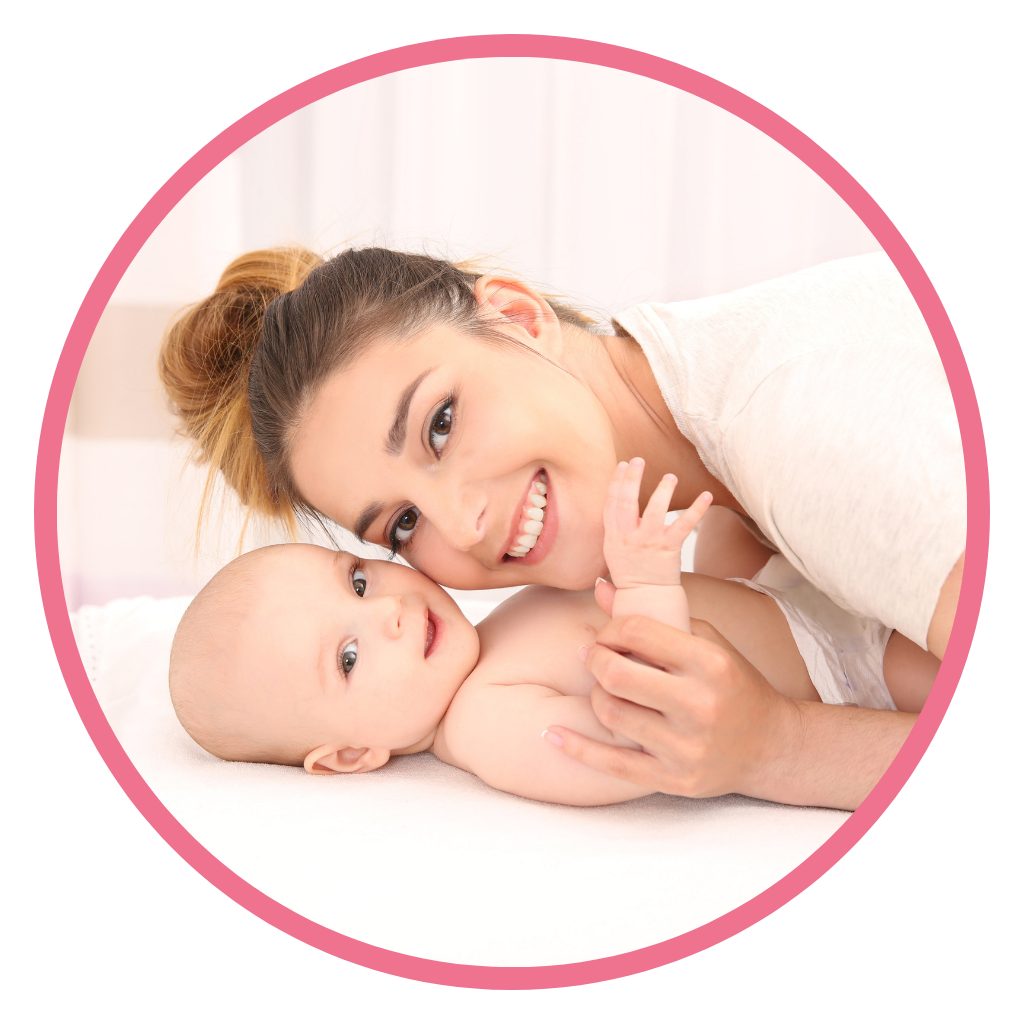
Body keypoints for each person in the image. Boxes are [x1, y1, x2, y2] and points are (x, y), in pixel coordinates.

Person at [159, 245, 965, 809]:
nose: (464, 525)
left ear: (517, 315)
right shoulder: (715, 466)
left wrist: (780, 746)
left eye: (440, 424)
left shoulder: (804, 429)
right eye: (403, 525)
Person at [169, 462, 938, 807]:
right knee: (933, 660)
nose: (388, 614)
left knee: (750, 497)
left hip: (769, 605)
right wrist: (646, 584)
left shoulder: (483, 648)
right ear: (349, 754)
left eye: (359, 582)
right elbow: (644, 740)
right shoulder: (487, 723)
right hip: (839, 672)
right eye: (348, 657)